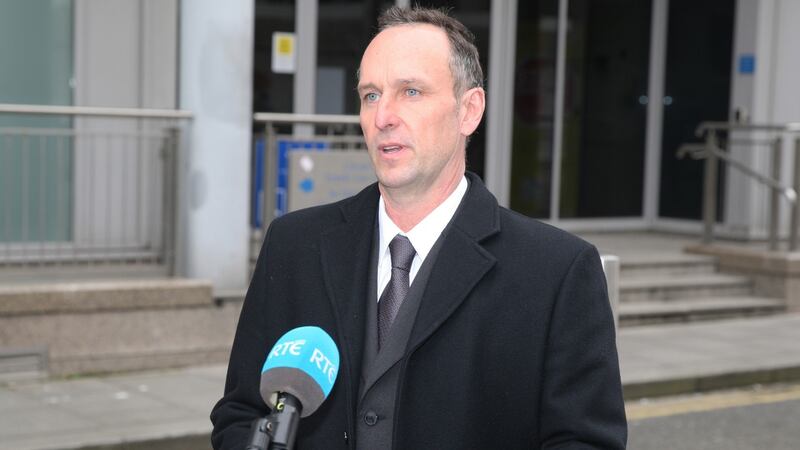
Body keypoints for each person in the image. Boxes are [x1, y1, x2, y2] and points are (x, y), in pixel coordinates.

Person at [211, 6, 627, 449]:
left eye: (410, 91)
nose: (383, 115)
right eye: (370, 95)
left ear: (469, 111)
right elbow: (241, 416)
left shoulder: (557, 272)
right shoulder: (294, 246)